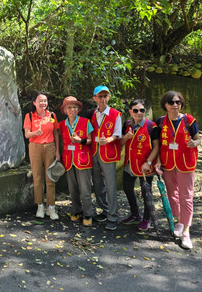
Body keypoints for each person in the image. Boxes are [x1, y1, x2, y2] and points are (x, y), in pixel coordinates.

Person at [155, 91, 200, 250]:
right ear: (165, 105)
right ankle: (181, 220)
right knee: (172, 194)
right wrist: (158, 161)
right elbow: (158, 144)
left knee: (186, 196)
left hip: (185, 163)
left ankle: (186, 231)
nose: (175, 105)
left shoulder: (189, 120)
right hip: (168, 163)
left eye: (178, 102)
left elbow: (198, 138)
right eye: (172, 102)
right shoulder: (160, 122)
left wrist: (196, 143)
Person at [120, 99, 160, 231]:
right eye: (136, 110)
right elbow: (120, 143)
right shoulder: (127, 125)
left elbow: (156, 147)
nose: (139, 113)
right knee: (127, 188)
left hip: (145, 166)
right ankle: (135, 214)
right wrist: (127, 137)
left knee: (146, 192)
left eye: (142, 110)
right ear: (130, 111)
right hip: (129, 164)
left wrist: (148, 162)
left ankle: (147, 218)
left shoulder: (151, 126)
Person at [23, 92, 60, 220]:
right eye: (40, 100)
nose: (43, 103)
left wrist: (57, 151)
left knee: (50, 178)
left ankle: (51, 207)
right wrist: (35, 133)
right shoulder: (29, 116)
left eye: (45, 100)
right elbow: (27, 135)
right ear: (34, 102)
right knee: (37, 178)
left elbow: (56, 133)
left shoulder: (52, 115)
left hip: (50, 147)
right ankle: (40, 205)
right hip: (35, 148)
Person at [58, 96, 94, 227]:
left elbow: (90, 140)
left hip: (83, 158)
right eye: (69, 107)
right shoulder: (62, 125)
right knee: (72, 189)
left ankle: (88, 213)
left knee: (85, 189)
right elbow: (62, 142)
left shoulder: (85, 122)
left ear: (78, 109)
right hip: (68, 159)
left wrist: (81, 141)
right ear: (65, 110)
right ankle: (76, 211)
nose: (72, 109)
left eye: (74, 107)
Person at [90, 85, 122, 231]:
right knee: (98, 184)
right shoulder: (93, 114)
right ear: (95, 98)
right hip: (95, 152)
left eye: (105, 96)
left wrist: (108, 140)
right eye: (100, 96)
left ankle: (113, 216)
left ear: (108, 97)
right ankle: (105, 210)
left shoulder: (116, 114)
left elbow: (117, 134)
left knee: (110, 185)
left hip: (108, 153)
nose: (102, 99)